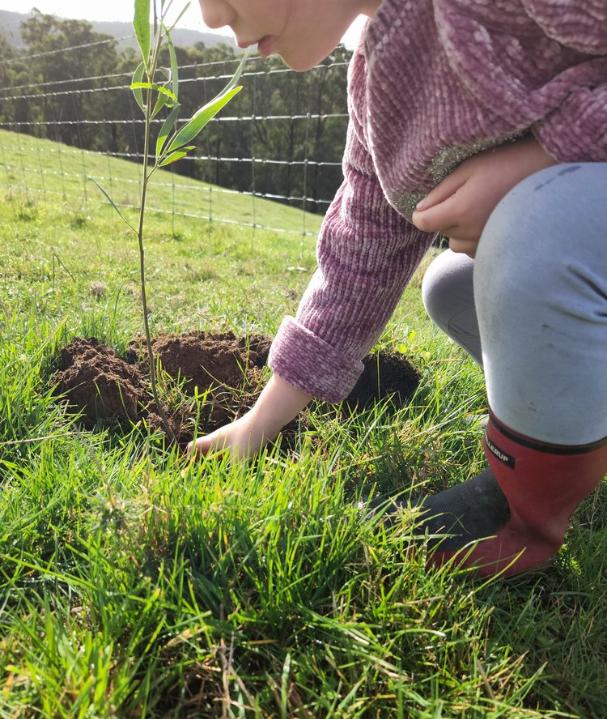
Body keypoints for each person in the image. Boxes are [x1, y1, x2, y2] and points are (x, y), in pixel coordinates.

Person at [191, 0, 607, 577]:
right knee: (453, 290)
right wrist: (258, 425)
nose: (211, 16)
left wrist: (542, 160)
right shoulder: (377, 85)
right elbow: (358, 259)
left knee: (536, 234)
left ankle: (525, 515)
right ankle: (584, 436)